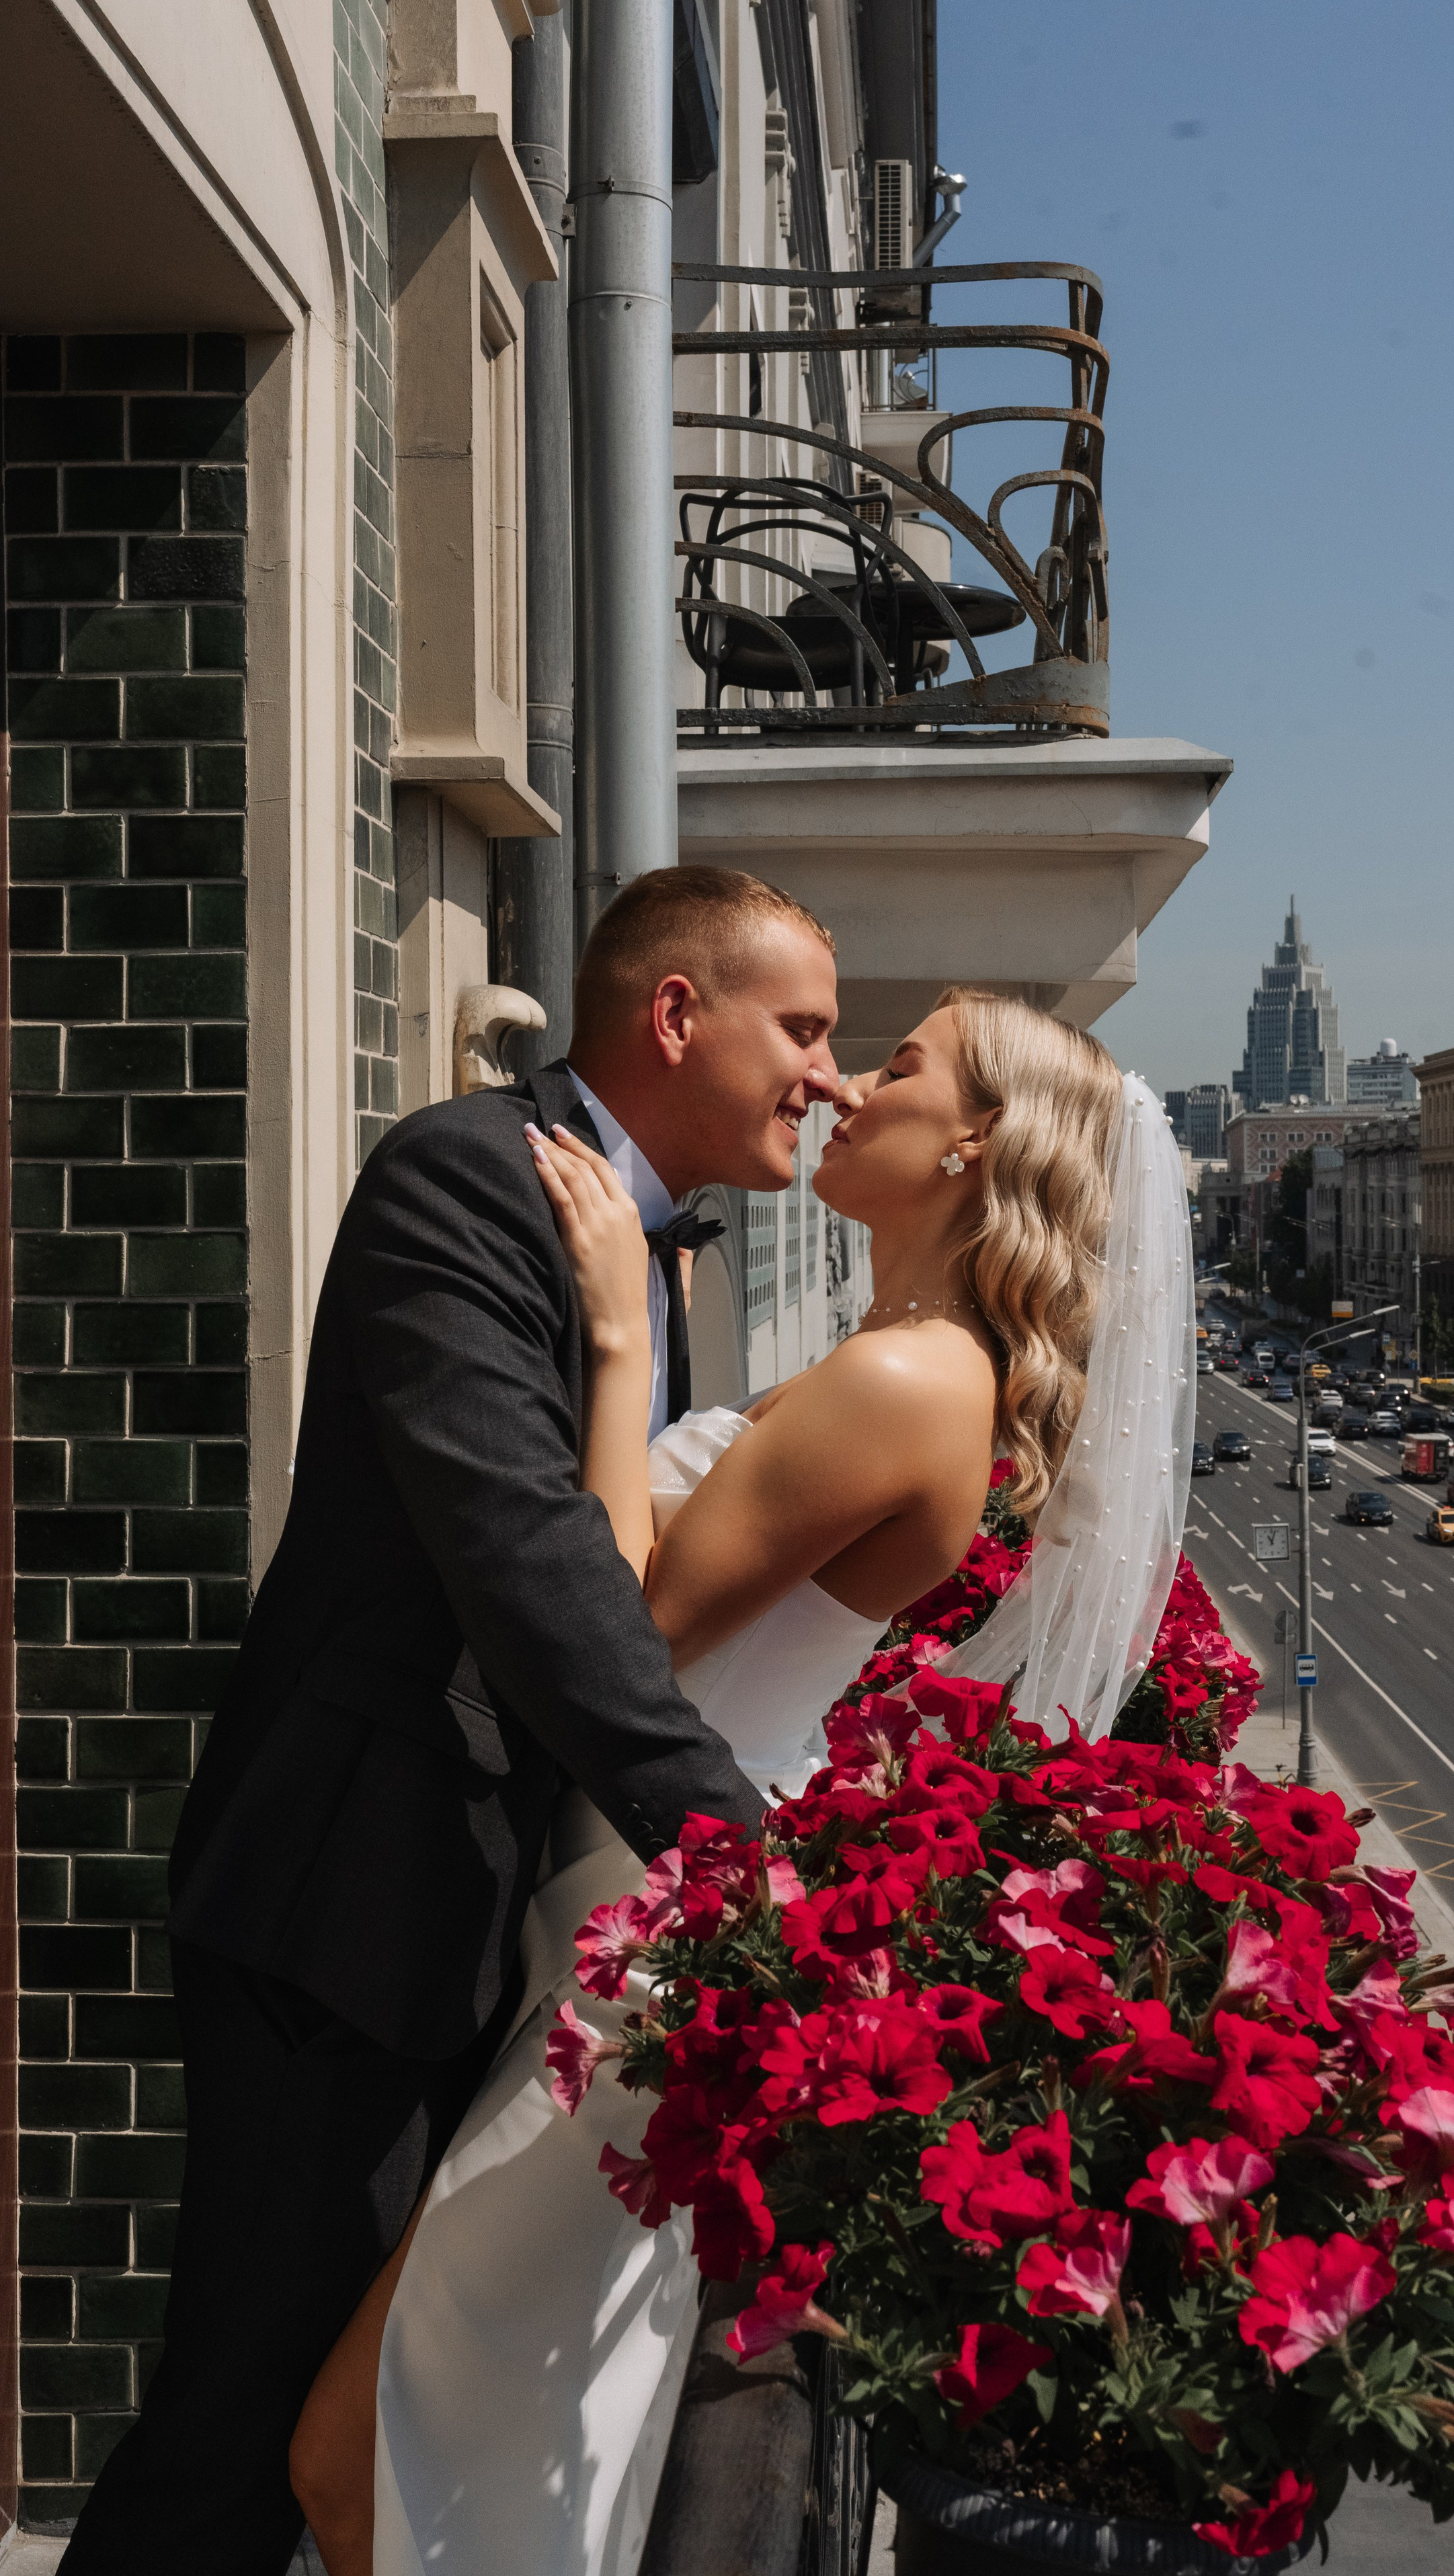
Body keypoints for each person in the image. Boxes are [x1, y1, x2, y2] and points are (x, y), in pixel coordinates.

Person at [287, 990, 1195, 2576]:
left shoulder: (915, 1381)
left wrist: (622, 1337)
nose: (848, 1083)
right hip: (618, 1906)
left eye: (898, 1063)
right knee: (478, 2453)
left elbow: (621, 1631)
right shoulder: (895, 1361)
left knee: (381, 2453)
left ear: (976, 1142)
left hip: (649, 1948)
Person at [60, 867, 842, 2576]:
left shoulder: (642, 1249)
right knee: (243, 2429)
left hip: (471, 1925)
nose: (830, 1075)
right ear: (673, 1013)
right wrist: (750, 1873)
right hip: (347, 1910)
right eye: (803, 1027)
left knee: (346, 2417)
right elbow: (533, 1566)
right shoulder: (465, 1176)